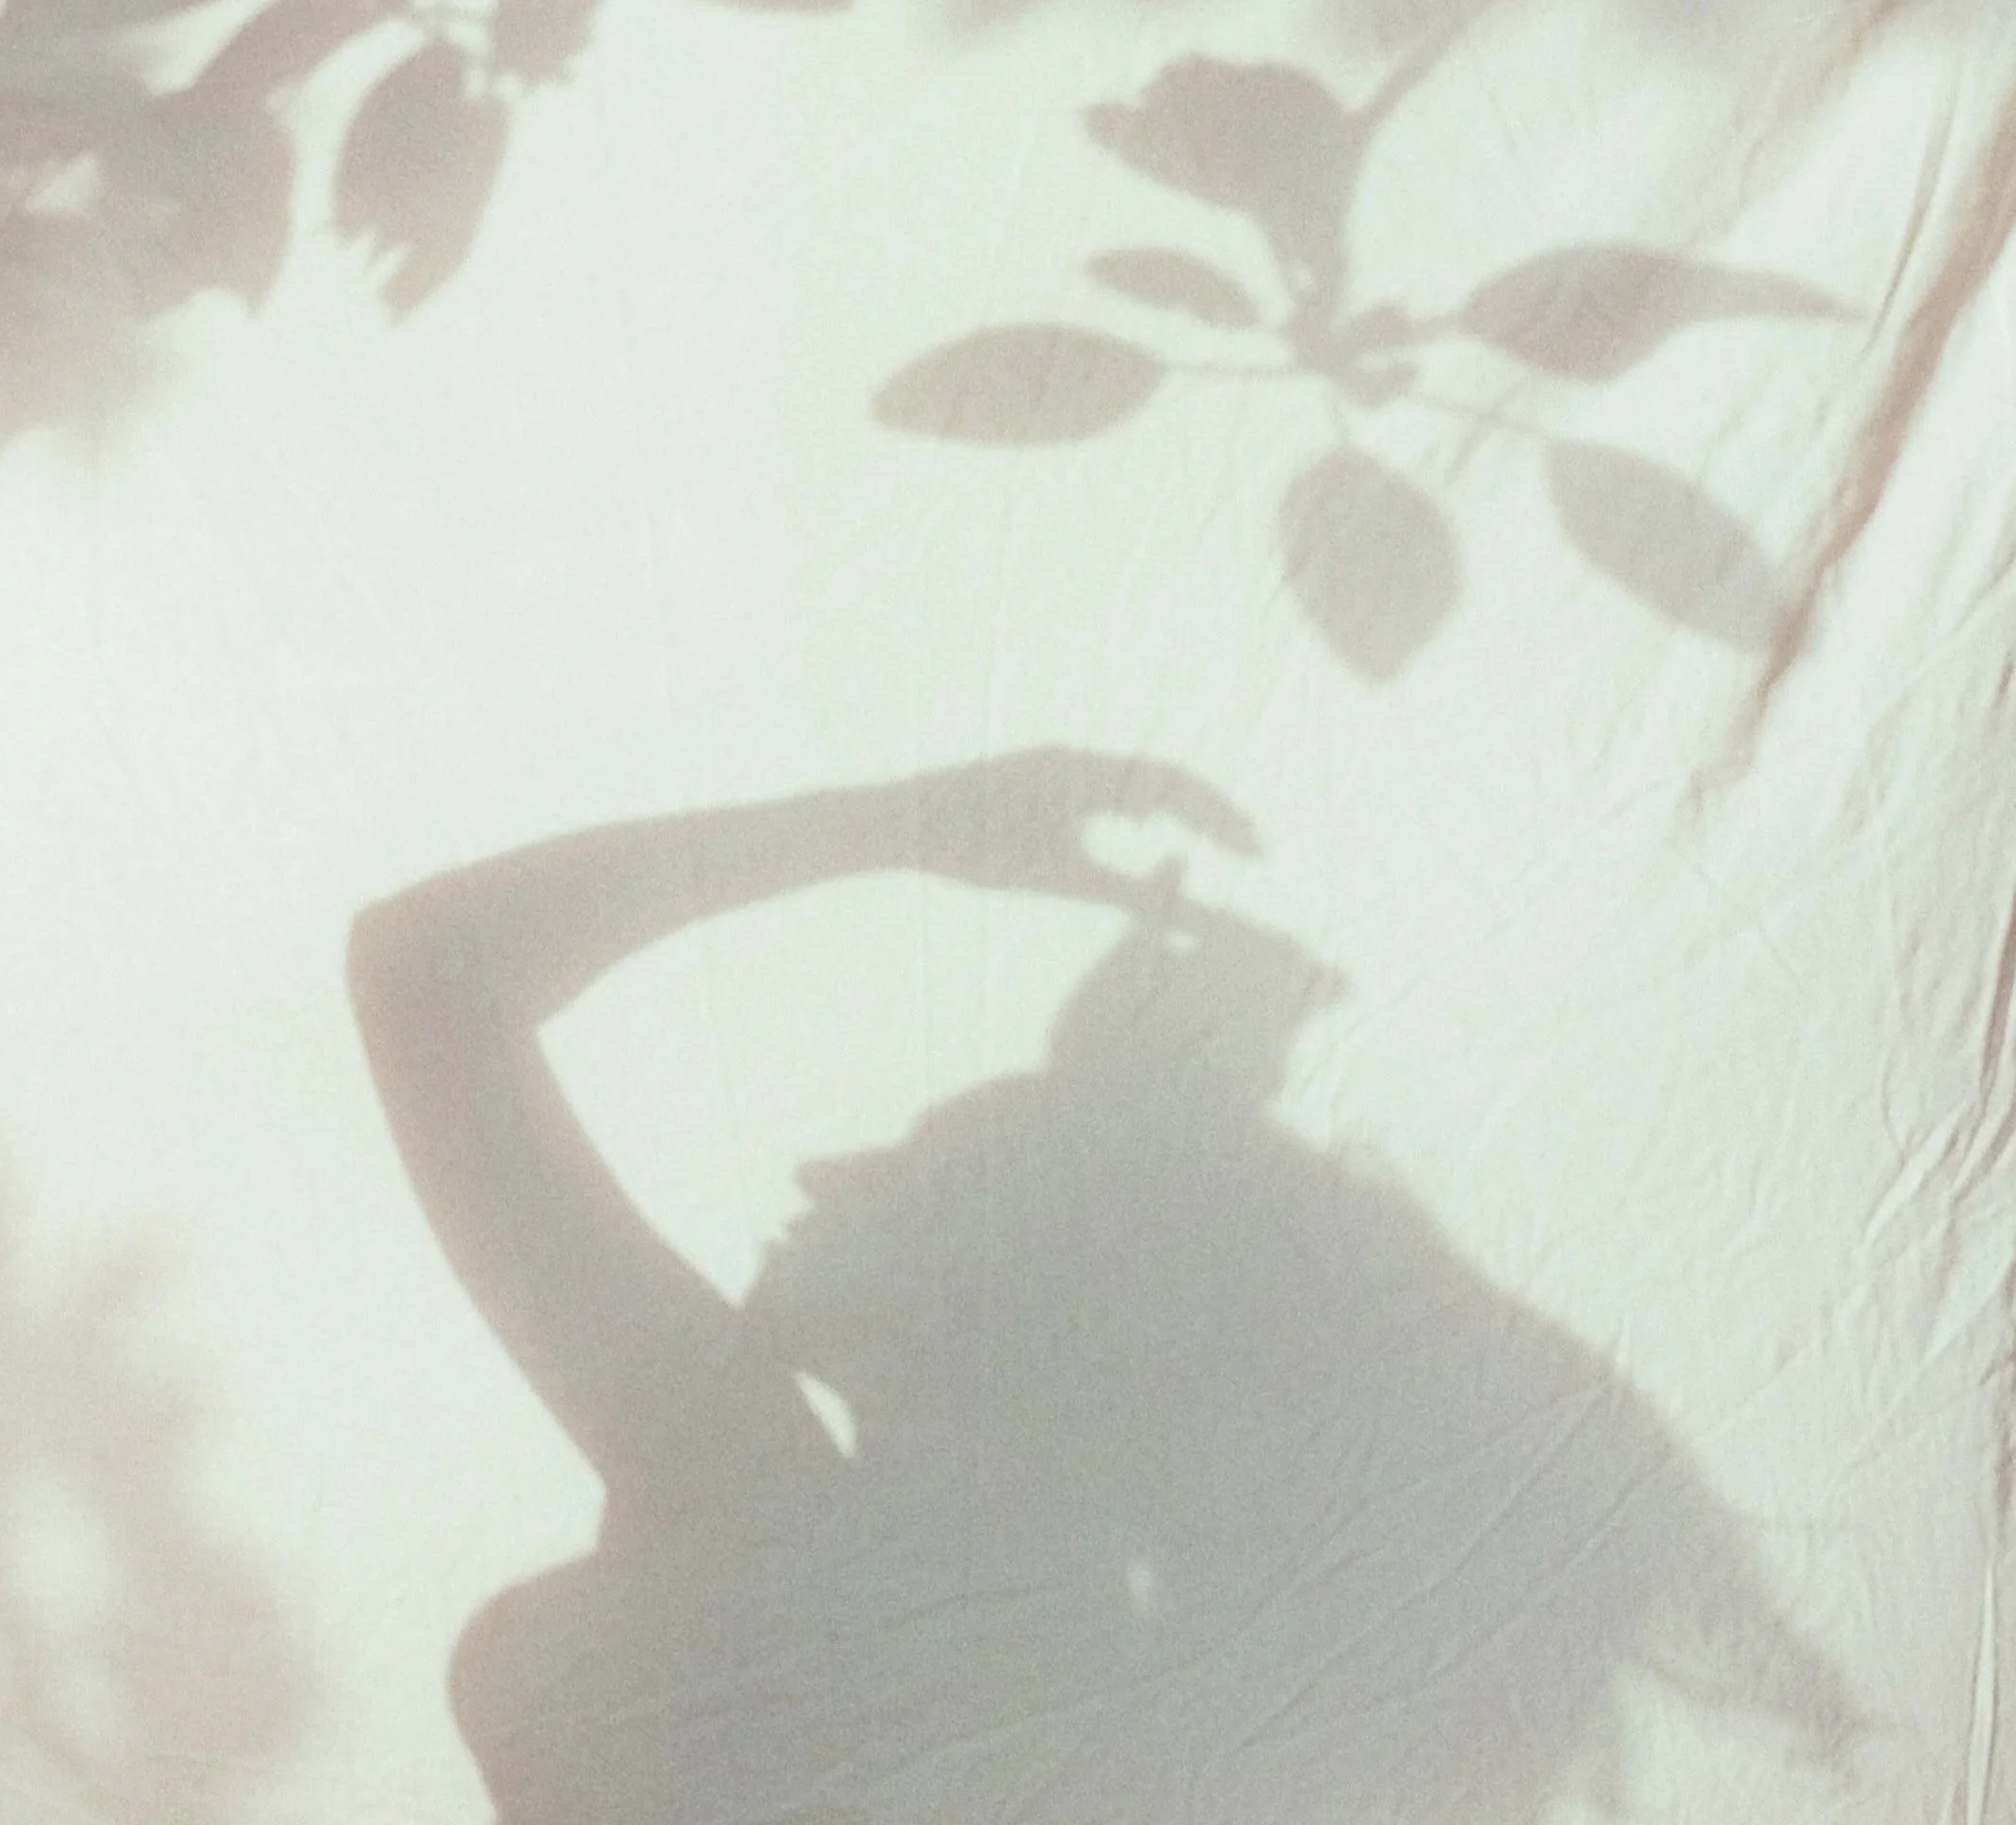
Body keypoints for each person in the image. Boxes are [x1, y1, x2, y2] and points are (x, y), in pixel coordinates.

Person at [347, 749, 1856, 1825]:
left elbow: (428, 979)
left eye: (915, 1155)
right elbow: (425, 979)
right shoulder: (1027, 1634)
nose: (824, 1164)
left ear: (1007, 1293)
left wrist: (901, 822)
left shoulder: (770, 1521)